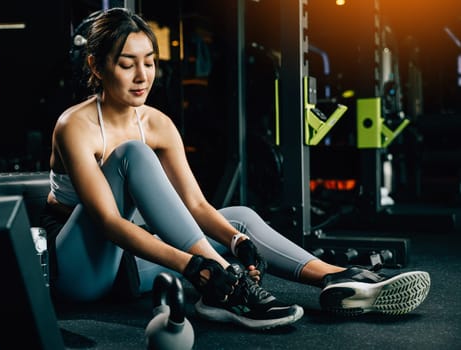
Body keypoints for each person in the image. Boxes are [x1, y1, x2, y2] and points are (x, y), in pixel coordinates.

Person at [40, 7, 430, 330]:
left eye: (149, 62)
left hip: (129, 265)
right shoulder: (75, 126)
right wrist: (200, 267)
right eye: (127, 64)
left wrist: (234, 245)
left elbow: (196, 205)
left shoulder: (157, 123)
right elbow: (108, 223)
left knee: (239, 220)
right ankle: (228, 286)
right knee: (133, 156)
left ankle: (334, 277)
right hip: (80, 272)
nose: (143, 76)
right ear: (96, 64)